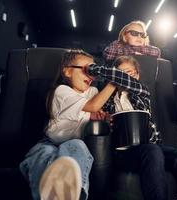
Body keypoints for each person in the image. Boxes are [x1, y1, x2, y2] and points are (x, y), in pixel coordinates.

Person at [19, 49, 150, 200]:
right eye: (86, 69)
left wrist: (105, 118)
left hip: (76, 142)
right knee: (43, 156)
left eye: (93, 71)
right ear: (67, 71)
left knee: (78, 149)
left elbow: (97, 111)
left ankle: (72, 194)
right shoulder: (61, 91)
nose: (90, 75)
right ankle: (48, 194)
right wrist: (117, 79)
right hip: (50, 142)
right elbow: (93, 106)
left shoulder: (93, 91)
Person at [98, 55, 177, 200]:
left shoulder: (141, 92)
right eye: (121, 73)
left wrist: (118, 77)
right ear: (114, 74)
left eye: (130, 72)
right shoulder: (107, 98)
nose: (125, 77)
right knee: (153, 150)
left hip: (148, 146)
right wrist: (106, 118)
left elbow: (130, 85)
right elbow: (99, 112)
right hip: (123, 152)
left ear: (138, 75)